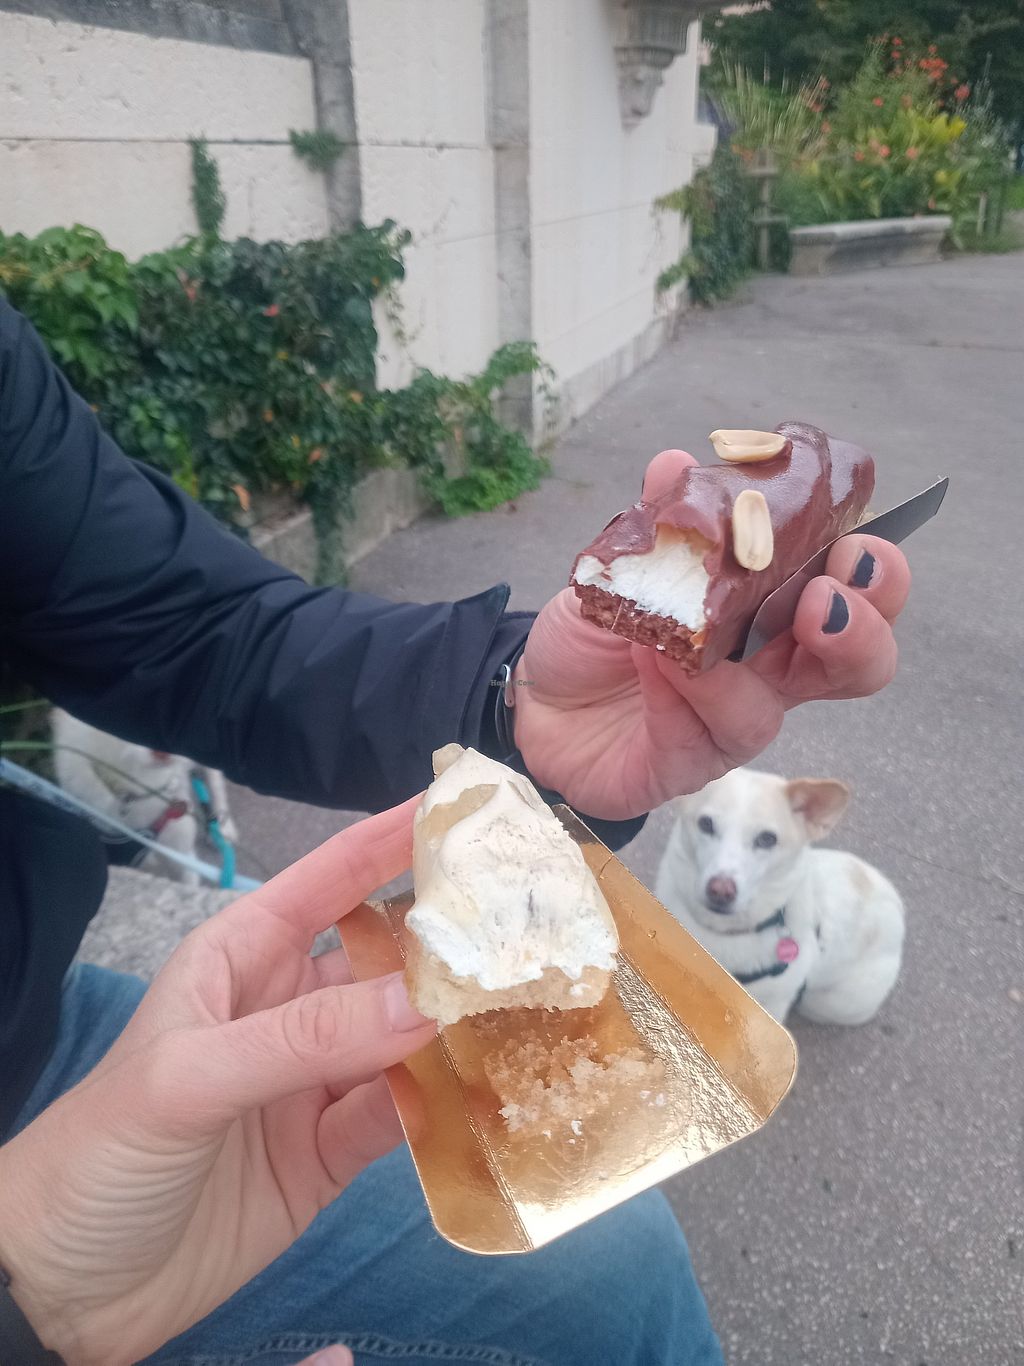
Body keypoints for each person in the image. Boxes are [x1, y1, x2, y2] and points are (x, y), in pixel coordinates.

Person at [0, 297, 911, 1364]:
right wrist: (30, 1319)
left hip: (28, 1010)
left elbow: (192, 627)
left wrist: (511, 704)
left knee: (625, 1264)